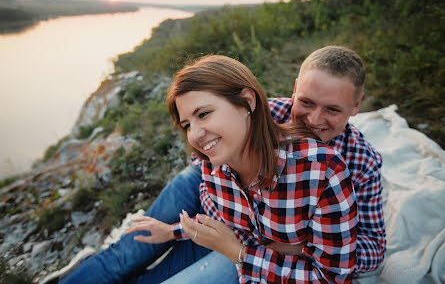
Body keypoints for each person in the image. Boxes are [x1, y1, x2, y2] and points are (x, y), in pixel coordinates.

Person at [58, 46, 385, 283]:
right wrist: (177, 228)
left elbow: (366, 249)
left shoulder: (354, 164)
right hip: (210, 187)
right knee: (127, 251)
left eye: (332, 110)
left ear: (356, 106)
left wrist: (302, 245)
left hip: (250, 230)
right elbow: (210, 160)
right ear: (295, 90)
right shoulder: (263, 114)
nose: (314, 119)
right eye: (306, 102)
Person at [126, 54, 358, 283]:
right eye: (187, 125)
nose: (194, 135)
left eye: (204, 114)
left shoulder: (322, 169)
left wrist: (239, 253)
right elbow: (226, 229)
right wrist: (173, 231)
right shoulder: (213, 168)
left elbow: (332, 278)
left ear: (247, 102)